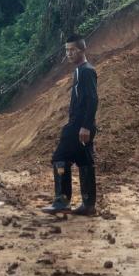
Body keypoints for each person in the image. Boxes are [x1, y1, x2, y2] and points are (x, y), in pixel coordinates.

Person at [43, 33, 98, 216]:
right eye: (67, 50)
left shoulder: (86, 71)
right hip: (82, 125)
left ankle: (62, 201)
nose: (69, 53)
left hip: (78, 126)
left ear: (82, 49)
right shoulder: (80, 70)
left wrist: (86, 126)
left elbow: (92, 99)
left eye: (72, 50)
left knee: (59, 157)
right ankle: (88, 205)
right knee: (84, 161)